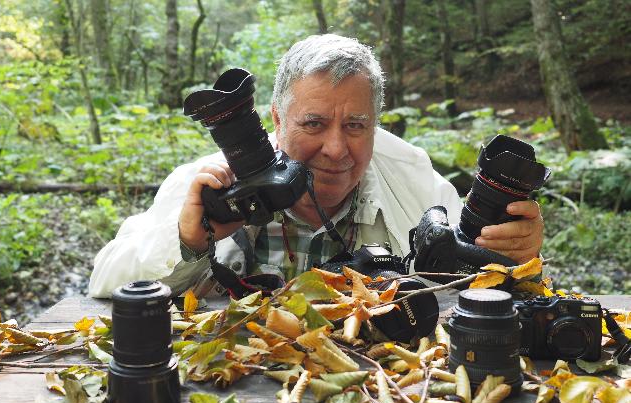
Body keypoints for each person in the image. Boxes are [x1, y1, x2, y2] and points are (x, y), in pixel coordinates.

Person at [88, 34, 543, 298]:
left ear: (376, 124)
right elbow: (106, 278)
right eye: (314, 123)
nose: (336, 148)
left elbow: (489, 292)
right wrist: (188, 240)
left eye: (356, 125)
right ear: (278, 119)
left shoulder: (414, 179)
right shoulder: (211, 178)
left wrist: (520, 260)